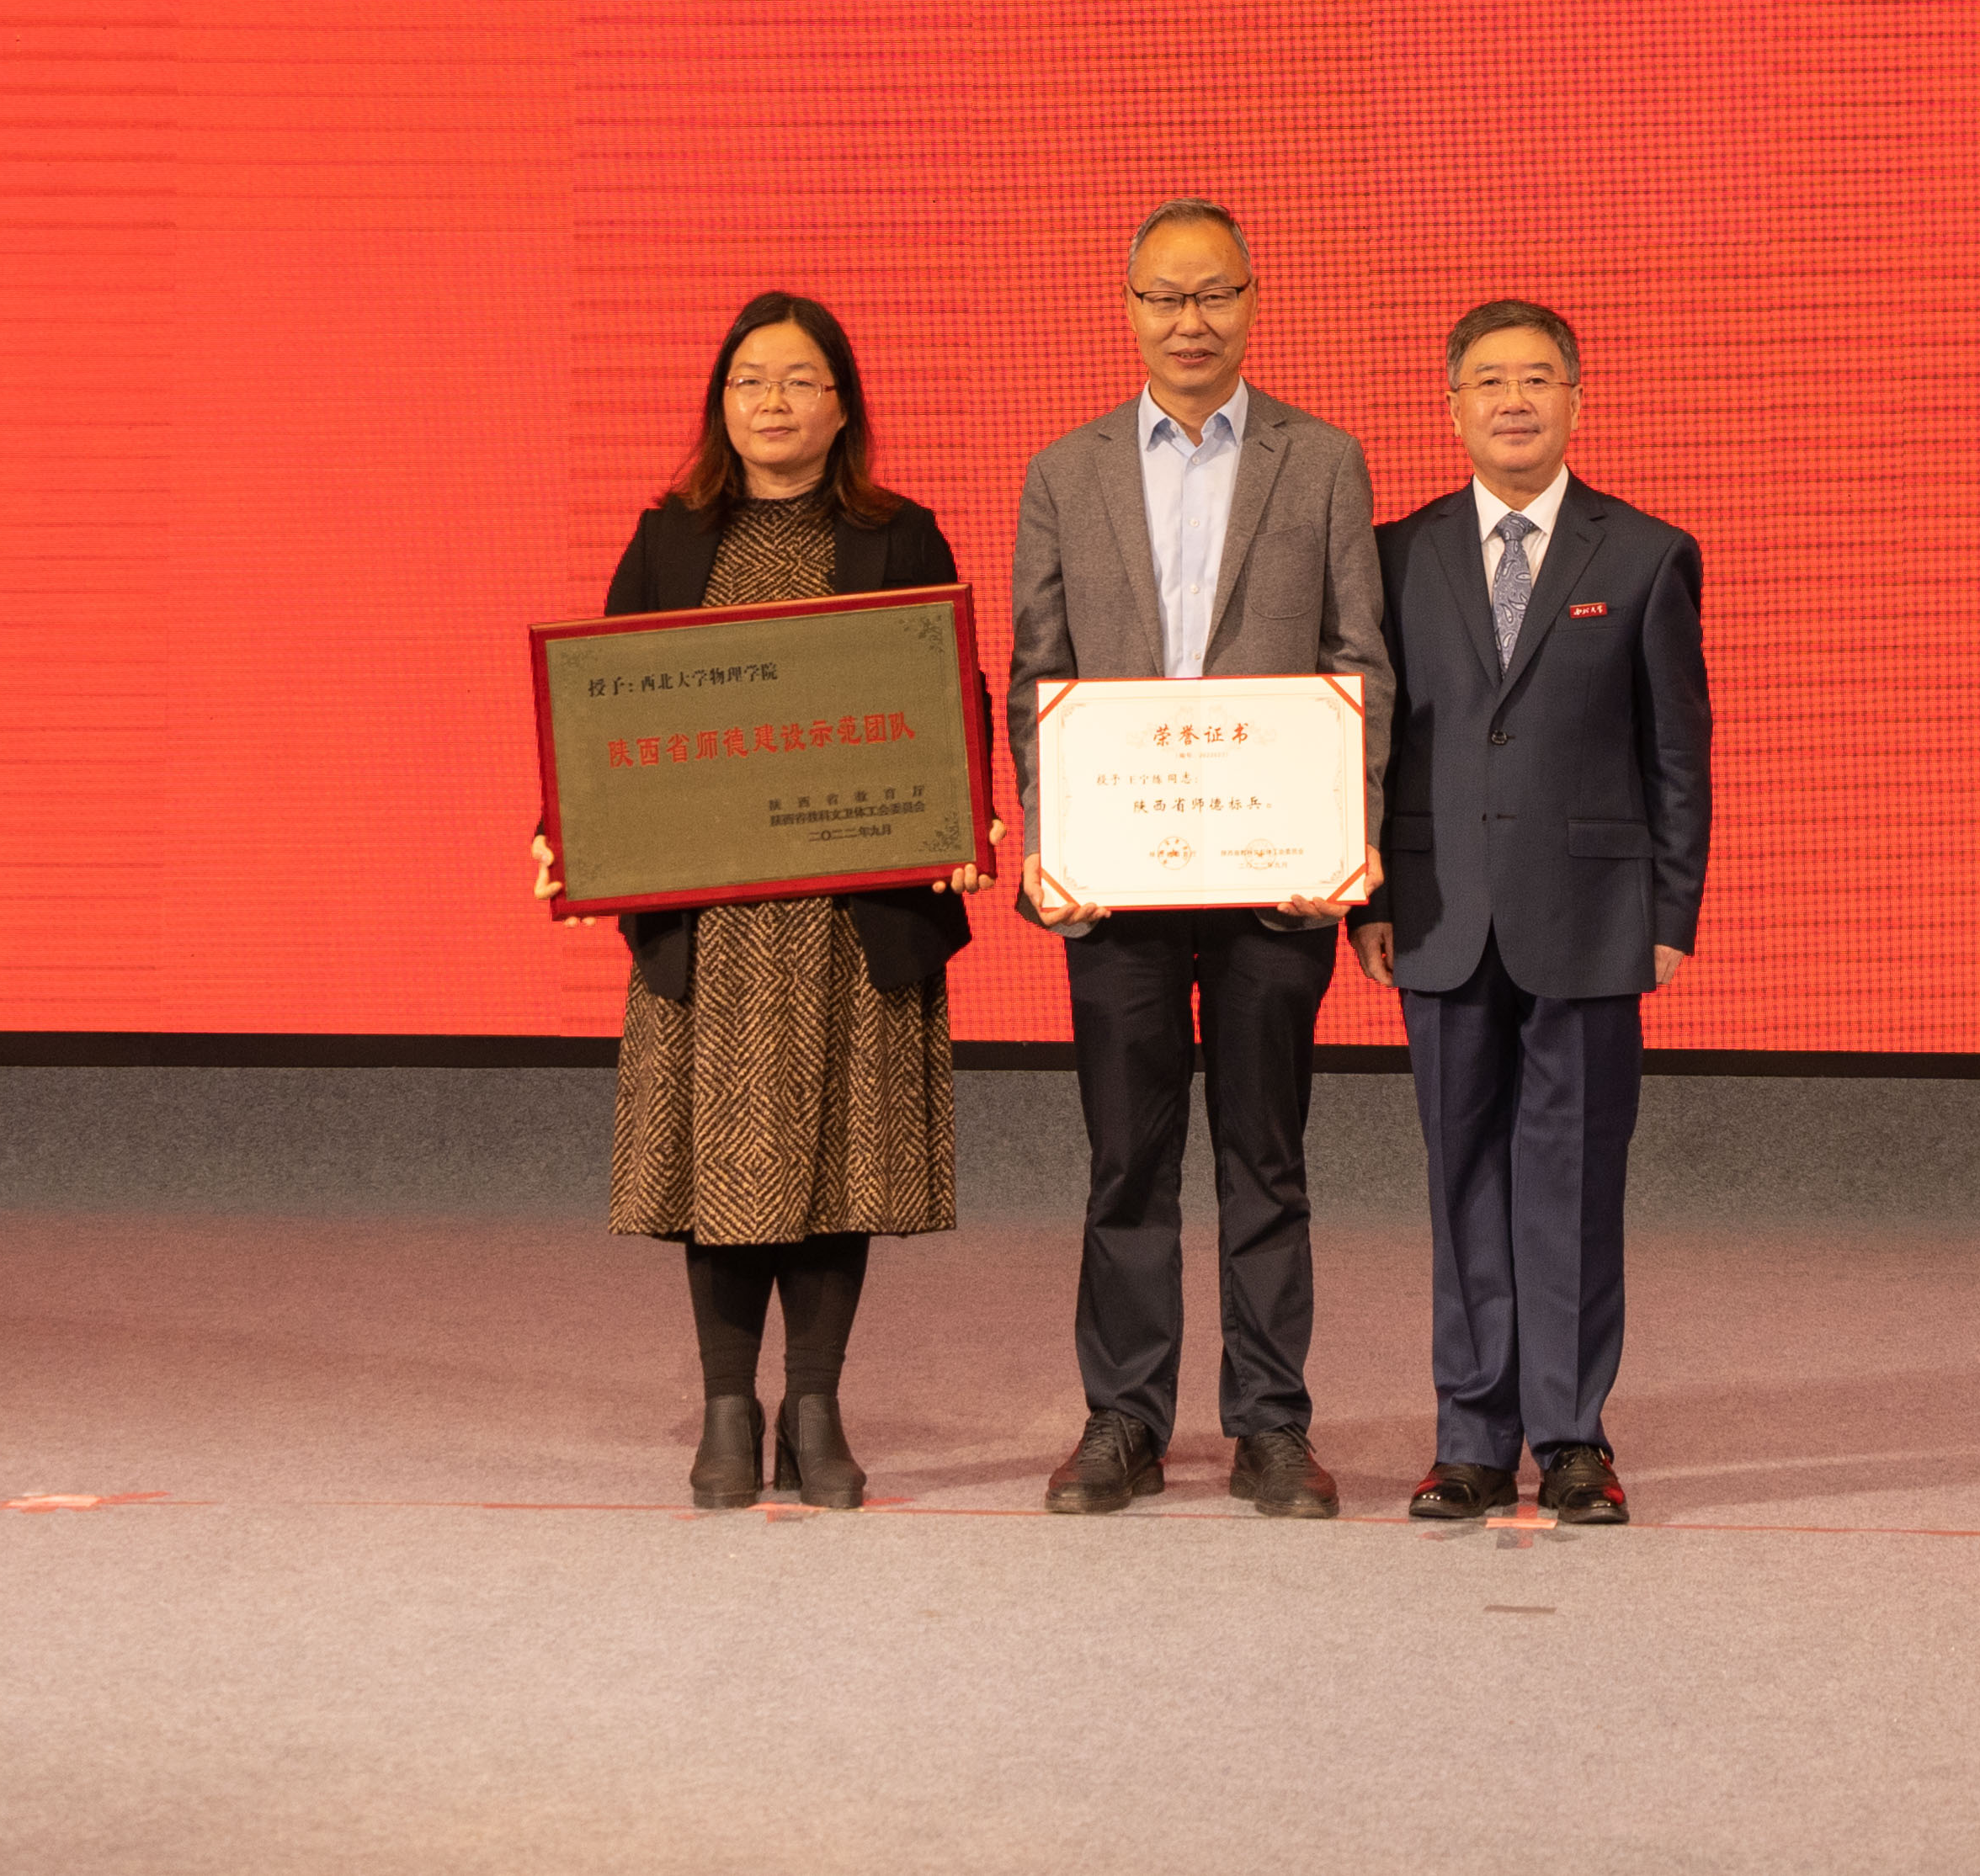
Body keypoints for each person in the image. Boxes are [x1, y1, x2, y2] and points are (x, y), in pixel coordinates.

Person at [1005, 197, 1392, 1517]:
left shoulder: (1320, 460)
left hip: (1273, 881)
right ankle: (1123, 1418)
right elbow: (1038, 679)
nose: (1190, 320)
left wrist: (1340, 839)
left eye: (1214, 293)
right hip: (1118, 885)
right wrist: (1054, 841)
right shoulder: (1063, 473)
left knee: (1263, 1159)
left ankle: (1270, 1424)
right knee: (1126, 1159)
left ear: (1253, 302)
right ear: (1127, 310)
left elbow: (1358, 661)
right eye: (1164, 297)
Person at [567, 292, 975, 1512]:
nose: (773, 403)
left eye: (800, 380)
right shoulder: (668, 538)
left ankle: (814, 1405)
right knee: (723, 1160)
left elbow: (949, 699)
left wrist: (962, 822)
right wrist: (571, 835)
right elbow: (602, 713)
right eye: (750, 381)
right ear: (721, 405)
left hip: (852, 914)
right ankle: (727, 1409)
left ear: (841, 405)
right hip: (718, 920)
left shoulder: (902, 534)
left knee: (842, 1162)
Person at [1358, 298, 1710, 1526]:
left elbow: (1677, 752)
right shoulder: (1394, 554)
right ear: (1452, 406)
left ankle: (1570, 1440)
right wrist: (1369, 895)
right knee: (1461, 1178)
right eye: (1490, 381)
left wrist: (1672, 907)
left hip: (1593, 913)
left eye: (1538, 379)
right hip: (1438, 912)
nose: (1514, 401)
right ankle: (1469, 1440)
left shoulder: (1646, 554)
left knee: (1572, 1183)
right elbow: (1373, 743)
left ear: (1575, 399)